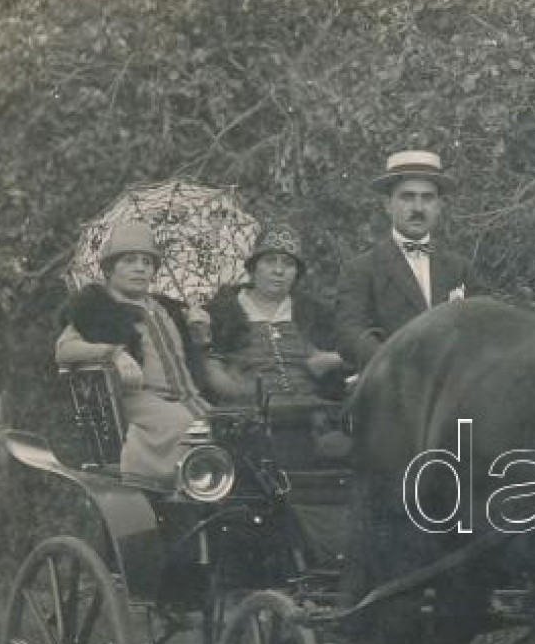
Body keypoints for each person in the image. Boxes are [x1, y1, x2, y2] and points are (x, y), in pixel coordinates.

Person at [55, 220, 212, 489]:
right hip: (137, 399)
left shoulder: (165, 308)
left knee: (228, 424)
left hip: (186, 397)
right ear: (109, 268)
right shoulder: (99, 309)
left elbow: (185, 358)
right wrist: (114, 353)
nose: (140, 268)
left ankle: (215, 498)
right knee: (184, 425)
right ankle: (170, 492)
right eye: (129, 260)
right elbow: (64, 350)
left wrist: (199, 332)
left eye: (147, 262)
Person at [333, 149, 470, 370]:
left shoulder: (459, 268)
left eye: (427, 198)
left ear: (439, 206)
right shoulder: (361, 269)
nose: (418, 208)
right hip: (393, 389)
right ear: (387, 205)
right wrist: (393, 363)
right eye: (407, 197)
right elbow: (349, 333)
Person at [201, 223, 347, 404]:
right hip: (249, 415)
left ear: (296, 273)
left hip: (314, 413)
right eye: (270, 260)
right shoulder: (221, 313)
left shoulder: (316, 314)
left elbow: (352, 353)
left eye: (288, 263)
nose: (278, 271)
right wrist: (235, 390)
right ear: (254, 268)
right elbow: (210, 368)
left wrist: (334, 359)